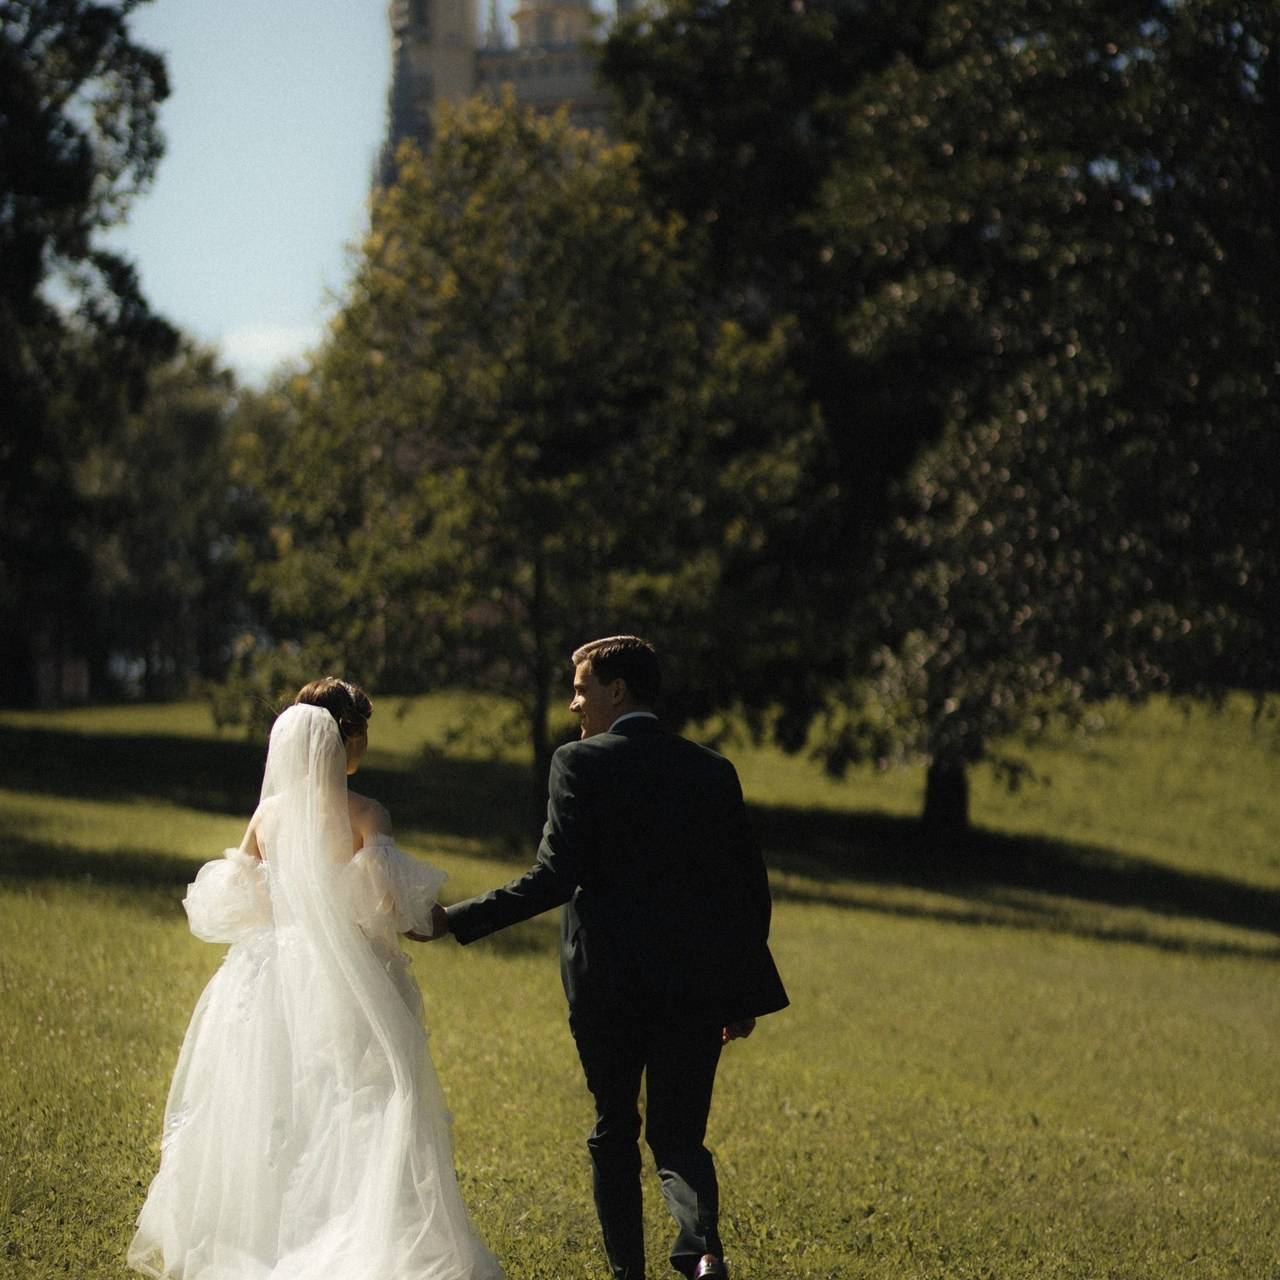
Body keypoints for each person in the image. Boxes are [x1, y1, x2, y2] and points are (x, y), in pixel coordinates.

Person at [424, 637, 788, 1280]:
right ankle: (702, 1253)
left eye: (582, 687)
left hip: (607, 984)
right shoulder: (711, 770)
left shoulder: (579, 762)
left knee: (613, 1127)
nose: (573, 703)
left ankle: (629, 1274)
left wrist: (457, 918)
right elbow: (748, 891)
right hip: (696, 988)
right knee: (679, 1137)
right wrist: (740, 994)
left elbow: (553, 878)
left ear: (617, 690)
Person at [128, 678, 504, 1280]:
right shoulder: (366, 813)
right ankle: (362, 1232)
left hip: (268, 974)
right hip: (346, 976)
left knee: (273, 1100)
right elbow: (388, 904)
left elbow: (240, 897)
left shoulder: (269, 814)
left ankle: (262, 1237)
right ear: (346, 739)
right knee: (366, 1101)